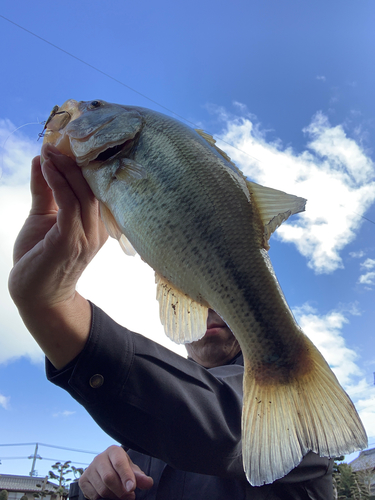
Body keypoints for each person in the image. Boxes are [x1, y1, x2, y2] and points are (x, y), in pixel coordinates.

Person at [9, 145, 334, 500]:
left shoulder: (299, 393)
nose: (210, 309)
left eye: (223, 294)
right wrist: (89, 491)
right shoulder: (138, 446)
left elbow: (220, 421)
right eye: (196, 295)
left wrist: (52, 304)